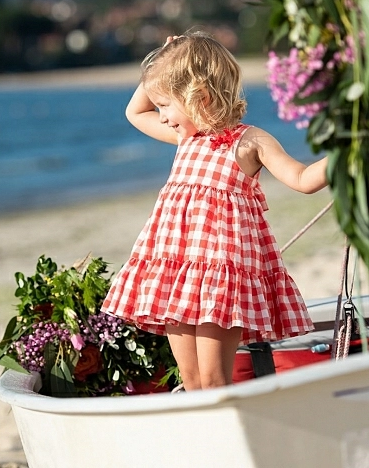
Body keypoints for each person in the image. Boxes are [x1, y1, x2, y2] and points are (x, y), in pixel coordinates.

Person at [101, 31, 328, 392]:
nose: (161, 117)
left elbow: (301, 178)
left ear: (198, 96)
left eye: (166, 105)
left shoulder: (250, 141)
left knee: (214, 378)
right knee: (190, 379)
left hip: (221, 278)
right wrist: (166, 54)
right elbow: (134, 111)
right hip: (176, 271)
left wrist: (345, 156)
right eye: (159, 106)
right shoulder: (186, 138)